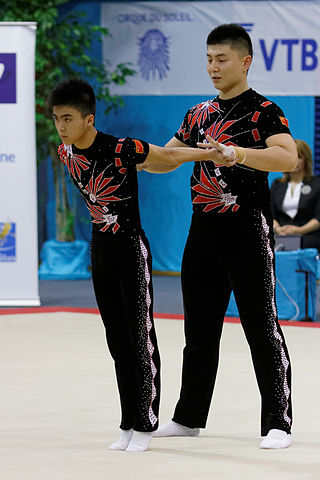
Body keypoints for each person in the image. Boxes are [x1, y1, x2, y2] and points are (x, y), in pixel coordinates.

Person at [46, 78, 222, 453]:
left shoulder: (122, 148)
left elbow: (169, 157)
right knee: (117, 341)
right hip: (101, 251)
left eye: (68, 118)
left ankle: (145, 423)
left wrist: (207, 154)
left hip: (131, 251)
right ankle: (128, 420)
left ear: (89, 119)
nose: (61, 127)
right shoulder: (65, 152)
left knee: (140, 338)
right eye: (57, 119)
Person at [144, 24, 298, 449]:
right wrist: (135, 156)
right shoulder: (198, 115)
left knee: (260, 325)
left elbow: (287, 156)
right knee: (199, 329)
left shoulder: (264, 111)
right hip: (203, 232)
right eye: (208, 59)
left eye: (222, 59)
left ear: (245, 61)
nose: (213, 67)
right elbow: (166, 157)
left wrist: (239, 154)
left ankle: (277, 422)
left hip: (247, 230)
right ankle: (189, 416)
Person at [271, 139, 320, 252]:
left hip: (307, 235)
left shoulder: (317, 184)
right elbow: (270, 213)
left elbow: (318, 218)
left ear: (306, 160)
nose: (294, 161)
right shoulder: (277, 184)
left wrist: (299, 230)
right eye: (291, 157)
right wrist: (278, 229)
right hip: (280, 234)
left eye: (299, 157)